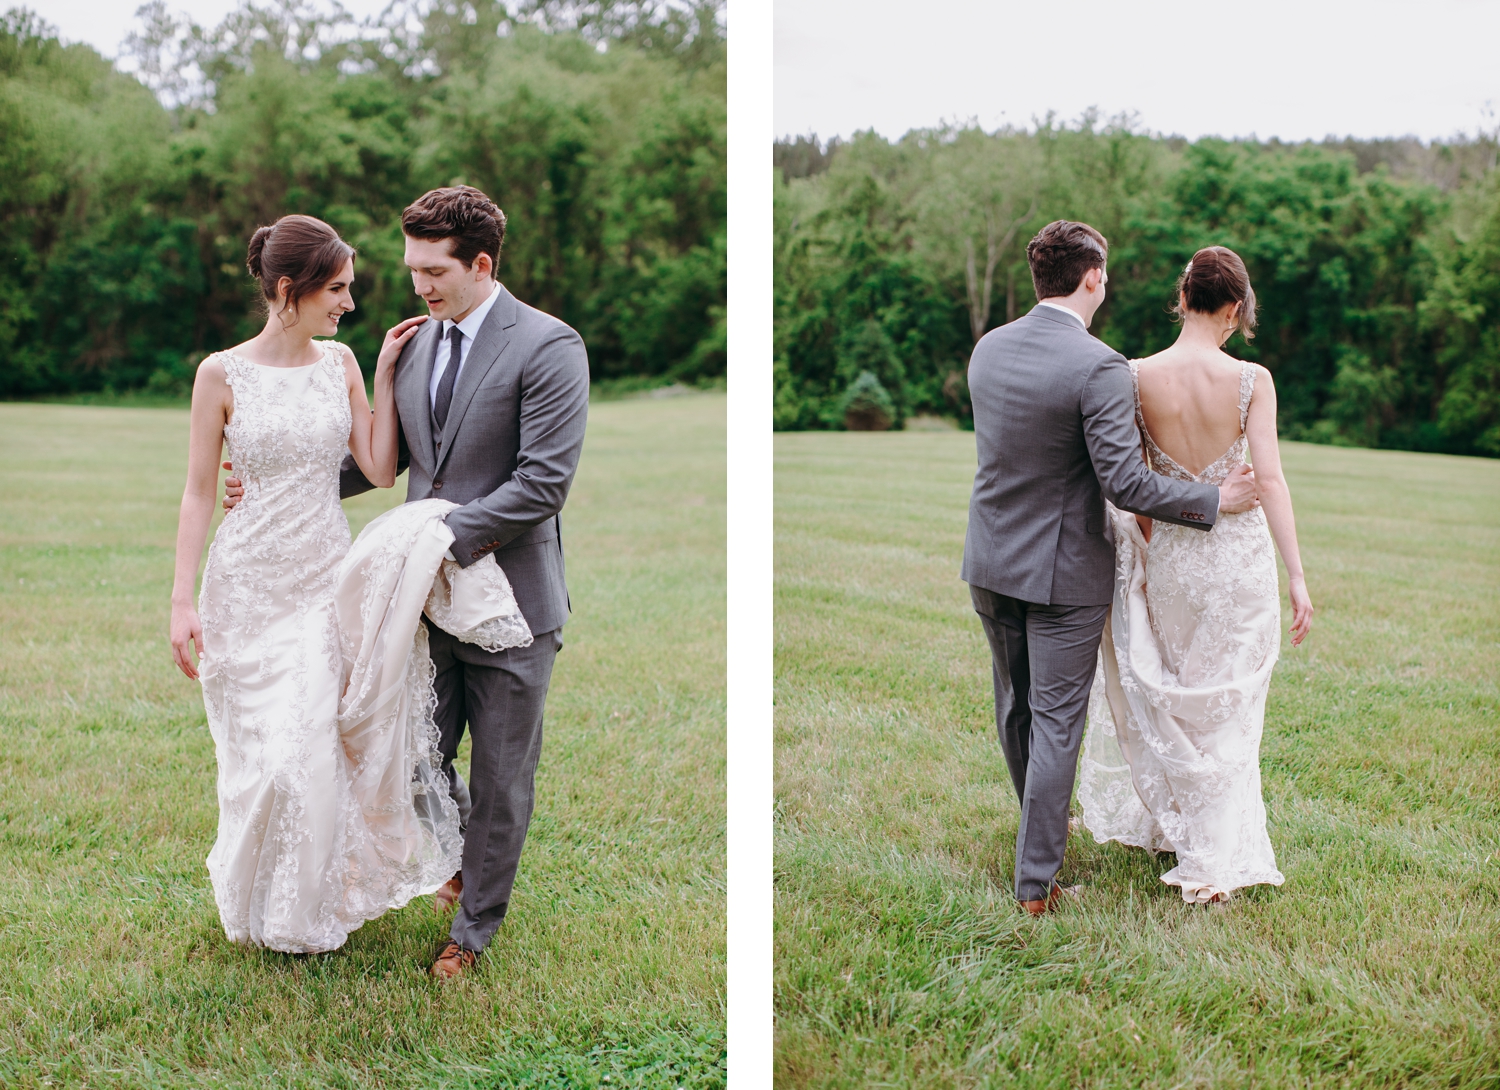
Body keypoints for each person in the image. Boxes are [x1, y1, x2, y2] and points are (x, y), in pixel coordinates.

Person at [224, 186, 590, 979]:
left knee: (499, 778)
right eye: (411, 267)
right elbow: (384, 461)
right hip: (417, 604)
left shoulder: (550, 346)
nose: (418, 284)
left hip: (512, 606)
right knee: (407, 753)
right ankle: (453, 871)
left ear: (481, 264)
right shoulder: (418, 342)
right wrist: (281, 482)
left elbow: (543, 483)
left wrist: (432, 538)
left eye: (433, 269)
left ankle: (473, 930)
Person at [962, 220, 1262, 917]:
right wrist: (1217, 498)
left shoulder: (988, 349)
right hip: (1061, 574)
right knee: (1057, 721)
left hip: (989, 559)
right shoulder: (1097, 366)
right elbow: (1127, 484)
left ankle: (1041, 826)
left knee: (1016, 710)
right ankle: (1036, 885)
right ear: (1093, 278)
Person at [169, 214, 444, 952]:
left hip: (323, 582)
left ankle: (306, 915)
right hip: (248, 584)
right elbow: (199, 491)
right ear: (289, 290)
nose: (349, 303)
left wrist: (382, 375)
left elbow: (381, 469)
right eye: (339, 289)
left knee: (306, 751)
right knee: (260, 761)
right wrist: (181, 599)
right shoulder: (219, 374)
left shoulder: (343, 362)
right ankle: (258, 904)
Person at [1078, 245, 1313, 904]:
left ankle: (1181, 830)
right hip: (1236, 560)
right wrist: (1296, 574)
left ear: (1182, 298)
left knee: (1178, 695)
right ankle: (1211, 858)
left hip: (1174, 559)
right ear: (1235, 308)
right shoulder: (1251, 379)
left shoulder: (1133, 374)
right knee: (1227, 709)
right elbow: (1268, 480)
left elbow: (1131, 485)